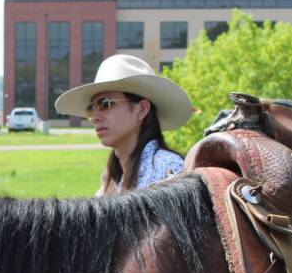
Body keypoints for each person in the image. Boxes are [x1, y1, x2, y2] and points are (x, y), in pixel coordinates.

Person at [54, 54, 192, 195]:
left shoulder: (168, 168)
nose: (95, 117)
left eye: (104, 104)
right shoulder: (110, 180)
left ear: (142, 109)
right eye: (91, 108)